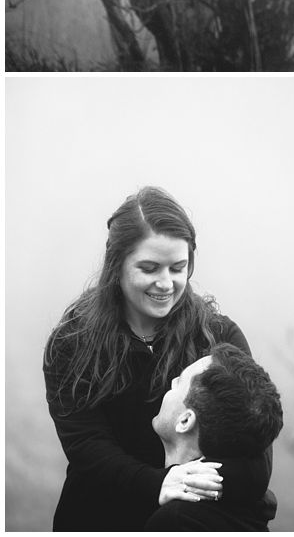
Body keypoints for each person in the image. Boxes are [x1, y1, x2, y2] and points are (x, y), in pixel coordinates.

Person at [43, 187, 253, 531]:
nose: (165, 283)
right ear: (117, 265)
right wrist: (157, 484)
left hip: (197, 520)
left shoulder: (218, 338)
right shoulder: (72, 342)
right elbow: (86, 446)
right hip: (100, 518)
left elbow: (253, 448)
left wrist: (192, 485)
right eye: (149, 267)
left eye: (178, 267)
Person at [144, 342, 283, 530]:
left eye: (179, 382)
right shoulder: (247, 512)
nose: (171, 381)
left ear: (185, 421)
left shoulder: (176, 523)